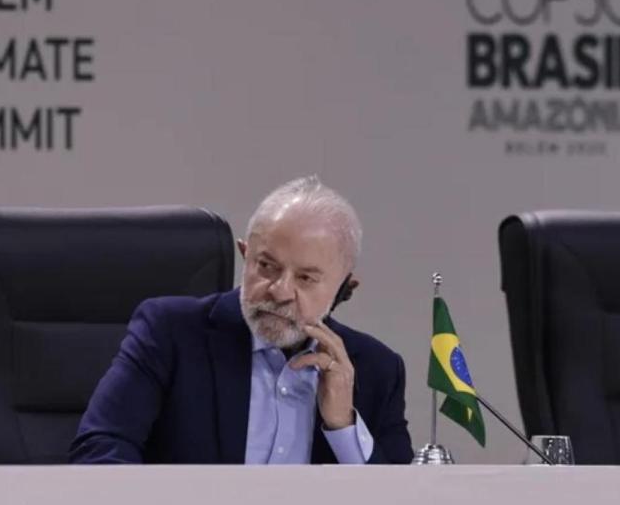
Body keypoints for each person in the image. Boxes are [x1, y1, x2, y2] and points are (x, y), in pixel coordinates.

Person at [70, 176, 413, 464]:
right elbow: (99, 451)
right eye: (266, 266)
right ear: (245, 255)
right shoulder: (171, 333)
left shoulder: (376, 369)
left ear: (344, 288)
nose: (279, 291)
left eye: (305, 278)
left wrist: (343, 426)